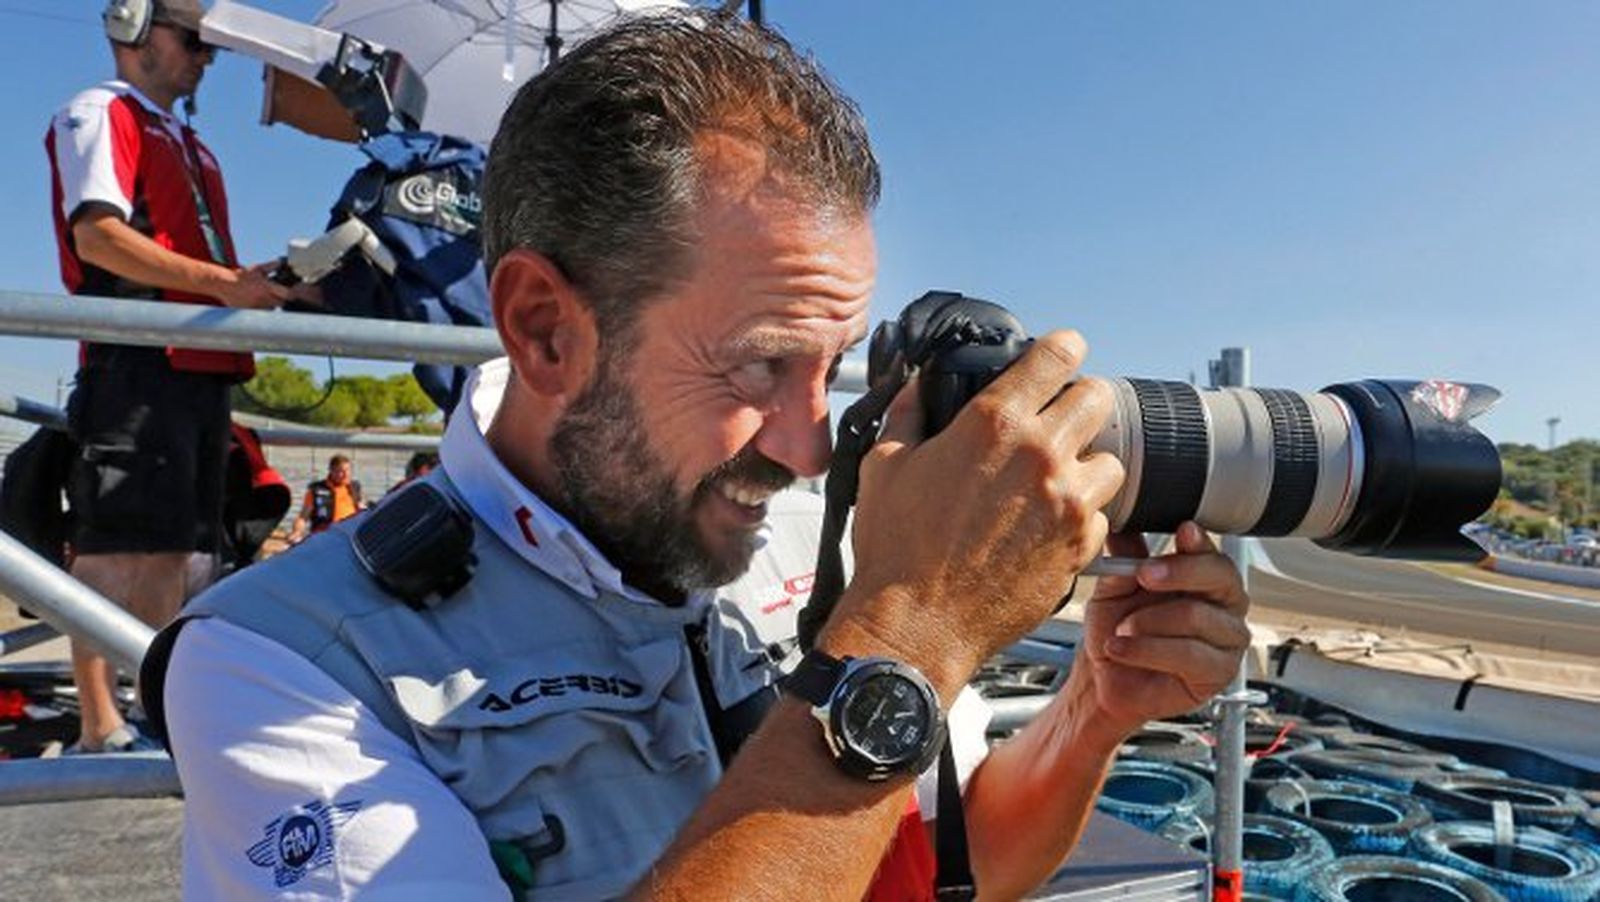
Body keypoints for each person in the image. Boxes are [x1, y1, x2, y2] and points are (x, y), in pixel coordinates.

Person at [146, 12, 1249, 899]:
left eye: (830, 370)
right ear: (543, 328)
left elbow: (940, 868)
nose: (811, 444)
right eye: (761, 366)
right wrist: (909, 635)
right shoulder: (282, 667)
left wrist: (1092, 708)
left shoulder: (808, 544)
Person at [47, 0, 289, 754]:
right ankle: (100, 721)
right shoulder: (100, 110)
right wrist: (222, 285)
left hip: (196, 368)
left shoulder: (190, 140)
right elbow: (98, 236)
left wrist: (278, 284)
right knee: (115, 542)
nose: (204, 57)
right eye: (191, 39)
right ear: (134, 30)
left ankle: (147, 706)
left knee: (178, 548)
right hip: (138, 360)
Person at [288, 454, 365, 542]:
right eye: (340, 471)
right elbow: (303, 517)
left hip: (348, 537)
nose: (345, 474)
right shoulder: (316, 490)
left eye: (347, 470)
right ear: (331, 471)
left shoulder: (354, 488)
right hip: (323, 536)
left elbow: (362, 510)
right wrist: (297, 532)